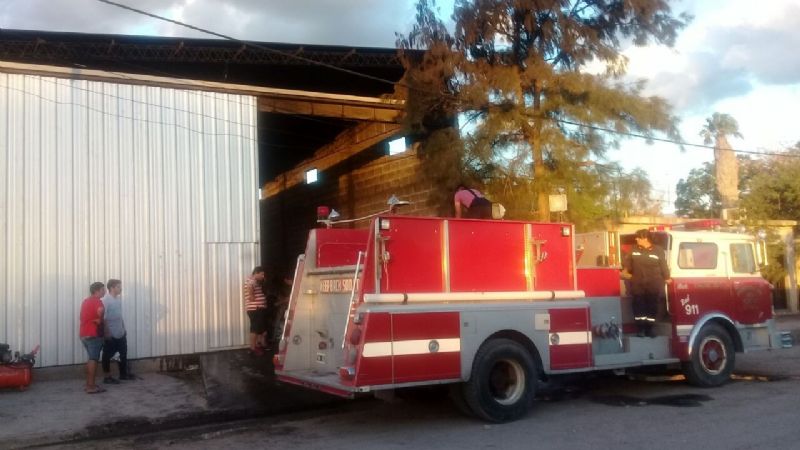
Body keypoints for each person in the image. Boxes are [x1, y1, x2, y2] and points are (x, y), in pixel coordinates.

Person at [622, 229, 672, 338]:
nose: (636, 239)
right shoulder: (633, 249)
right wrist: (625, 272)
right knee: (638, 305)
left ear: (645, 239)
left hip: (654, 283)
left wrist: (667, 278)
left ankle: (649, 329)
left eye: (638, 237)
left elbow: (664, 266)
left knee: (652, 305)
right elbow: (627, 265)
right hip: (638, 283)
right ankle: (640, 329)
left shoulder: (658, 250)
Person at [101, 279, 134, 383]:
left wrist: (123, 328)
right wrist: (107, 333)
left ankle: (123, 375)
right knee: (107, 355)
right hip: (111, 333)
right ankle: (107, 377)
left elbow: (119, 316)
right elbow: (103, 318)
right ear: (112, 288)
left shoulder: (118, 299)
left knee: (122, 354)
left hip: (120, 332)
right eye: (118, 287)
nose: (121, 289)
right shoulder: (105, 300)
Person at [79, 282, 106, 394]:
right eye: (103, 290)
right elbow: (100, 310)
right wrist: (100, 318)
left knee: (91, 358)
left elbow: (82, 316)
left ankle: (89, 384)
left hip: (84, 334)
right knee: (93, 359)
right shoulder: (97, 301)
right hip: (94, 334)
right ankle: (91, 387)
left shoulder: (85, 301)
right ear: (97, 290)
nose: (104, 292)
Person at [244, 266, 269, 356]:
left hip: (258, 308)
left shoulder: (256, 281)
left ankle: (257, 346)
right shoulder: (251, 281)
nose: (263, 276)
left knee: (258, 329)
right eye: (261, 274)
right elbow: (250, 293)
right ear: (256, 273)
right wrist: (252, 297)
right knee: (254, 329)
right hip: (255, 309)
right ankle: (252, 349)